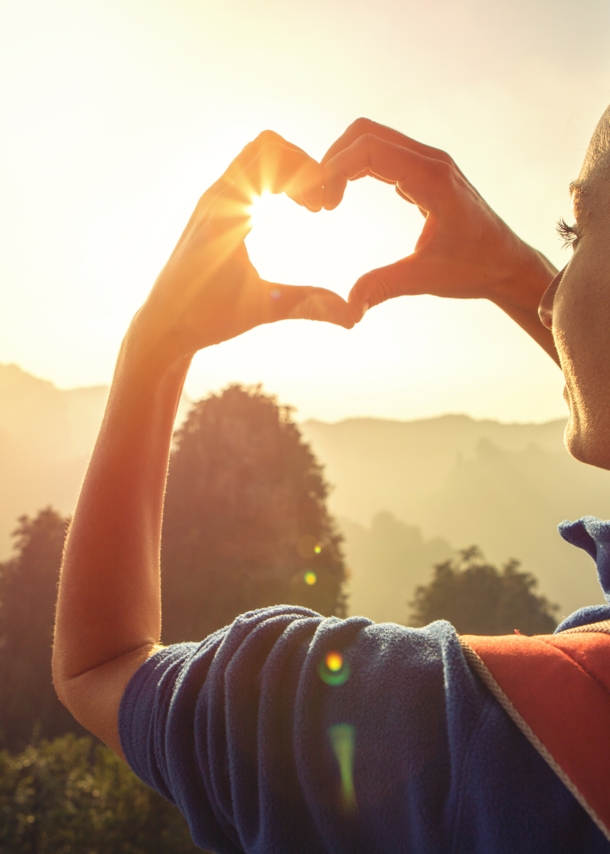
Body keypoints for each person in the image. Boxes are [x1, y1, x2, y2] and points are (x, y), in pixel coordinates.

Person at [52, 112, 610, 852]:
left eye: (577, 232)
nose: (550, 295)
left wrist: (155, 344)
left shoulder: (455, 732)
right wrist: (511, 271)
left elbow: (99, 665)